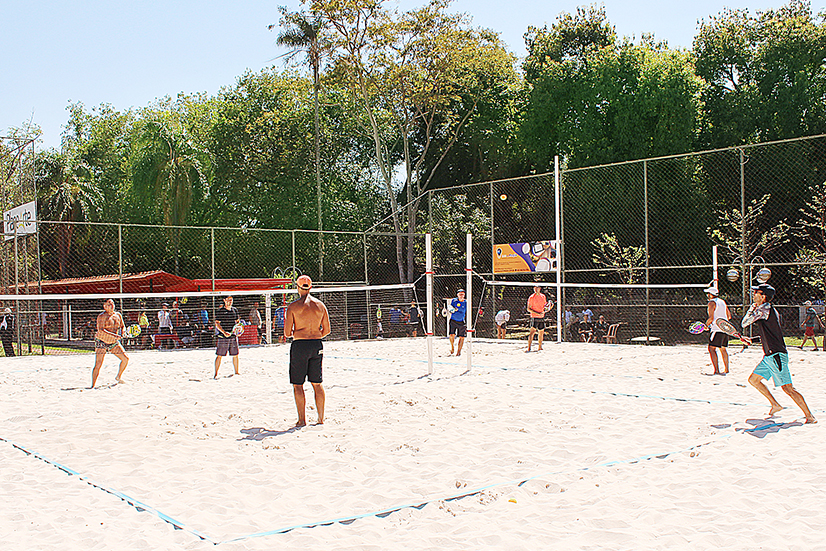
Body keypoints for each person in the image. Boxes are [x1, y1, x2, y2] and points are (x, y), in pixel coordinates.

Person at [739, 284, 816, 424]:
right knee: (753, 380)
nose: (753, 294)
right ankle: (775, 404)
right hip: (769, 355)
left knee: (788, 388)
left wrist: (752, 307)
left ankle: (810, 416)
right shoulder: (767, 310)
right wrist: (753, 339)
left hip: (776, 356)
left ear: (763, 297)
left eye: (756, 292)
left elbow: (745, 323)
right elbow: (771, 333)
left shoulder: (764, 309)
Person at [285, 275, 331, 426]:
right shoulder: (320, 305)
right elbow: (327, 330)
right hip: (316, 344)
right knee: (317, 383)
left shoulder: (293, 307)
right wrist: (314, 335)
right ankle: (321, 419)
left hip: (300, 345)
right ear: (311, 287)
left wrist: (299, 333)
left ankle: (302, 420)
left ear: (298, 287)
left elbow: (286, 333)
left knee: (298, 385)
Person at [92, 299, 129, 388]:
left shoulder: (118, 315)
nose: (111, 306)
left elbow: (122, 326)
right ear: (104, 306)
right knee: (98, 363)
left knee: (125, 359)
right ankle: (92, 385)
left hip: (113, 342)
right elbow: (101, 330)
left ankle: (118, 376)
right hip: (102, 341)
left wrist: (123, 332)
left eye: (112, 304)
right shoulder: (102, 316)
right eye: (108, 304)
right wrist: (114, 336)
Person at [704, 285, 731, 375]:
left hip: (716, 329)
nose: (707, 295)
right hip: (724, 328)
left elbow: (711, 317)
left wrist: (706, 325)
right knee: (723, 348)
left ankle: (716, 370)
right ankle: (726, 369)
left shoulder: (712, 303)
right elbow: (729, 316)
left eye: (708, 293)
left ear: (711, 294)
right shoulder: (722, 302)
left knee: (711, 349)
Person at [213, 295, 240, 378]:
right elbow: (217, 323)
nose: (230, 301)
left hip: (232, 335)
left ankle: (237, 372)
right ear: (224, 300)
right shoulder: (220, 311)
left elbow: (238, 323)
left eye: (231, 300)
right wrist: (224, 332)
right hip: (223, 336)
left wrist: (238, 331)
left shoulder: (234, 310)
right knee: (220, 355)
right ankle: (216, 373)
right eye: (228, 300)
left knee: (235, 354)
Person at [526, 285, 548, 352]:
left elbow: (545, 306)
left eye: (537, 288)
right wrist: (538, 313)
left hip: (541, 317)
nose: (536, 289)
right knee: (532, 333)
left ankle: (540, 347)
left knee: (541, 332)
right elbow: (528, 309)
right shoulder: (531, 297)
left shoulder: (543, 296)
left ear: (540, 289)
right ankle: (529, 348)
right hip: (534, 317)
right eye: (535, 288)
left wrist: (545, 311)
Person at [448, 289, 467, 356]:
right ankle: (452, 347)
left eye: (463, 294)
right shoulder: (454, 301)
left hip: (461, 321)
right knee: (452, 335)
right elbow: (450, 307)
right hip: (453, 320)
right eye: (460, 294)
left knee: (462, 337)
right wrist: (452, 309)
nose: (461, 296)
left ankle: (459, 351)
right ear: (457, 295)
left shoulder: (466, 302)